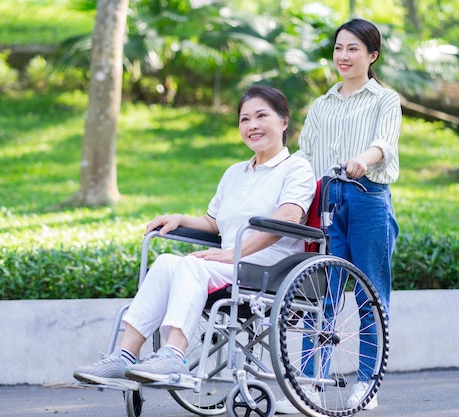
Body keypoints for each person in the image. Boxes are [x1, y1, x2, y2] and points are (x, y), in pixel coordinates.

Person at [73, 85, 316, 387]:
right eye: (244, 119)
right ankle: (124, 356)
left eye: (261, 116)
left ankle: (174, 356)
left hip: (268, 269)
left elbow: (289, 217)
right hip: (228, 265)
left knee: (191, 265)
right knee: (165, 262)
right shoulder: (235, 173)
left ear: (283, 121)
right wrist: (179, 219)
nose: (252, 125)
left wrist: (232, 254)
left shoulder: (297, 168)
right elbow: (212, 222)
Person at [275, 18, 401, 414]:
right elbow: (303, 156)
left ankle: (367, 381)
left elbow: (383, 143)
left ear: (372, 55)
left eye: (353, 49)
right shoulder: (321, 104)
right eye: (338, 49)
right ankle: (310, 383)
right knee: (321, 293)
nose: (343, 56)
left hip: (368, 199)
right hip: (324, 201)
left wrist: (362, 161)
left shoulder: (385, 99)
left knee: (370, 294)